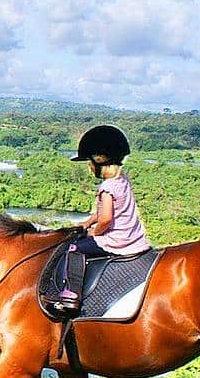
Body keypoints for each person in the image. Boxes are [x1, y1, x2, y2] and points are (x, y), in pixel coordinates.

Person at [44, 125, 151, 314]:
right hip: (132, 236)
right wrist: (87, 222)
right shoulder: (121, 180)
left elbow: (106, 219)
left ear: (99, 160)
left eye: (89, 162)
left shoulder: (107, 187)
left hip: (116, 239)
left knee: (74, 248)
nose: (89, 166)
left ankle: (71, 295)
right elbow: (103, 212)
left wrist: (95, 232)